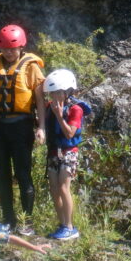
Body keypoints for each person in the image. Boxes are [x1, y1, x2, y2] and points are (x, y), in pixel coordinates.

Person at [0, 24, 46, 236]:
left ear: (21, 47)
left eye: (12, 49)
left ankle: (27, 222)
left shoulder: (31, 67)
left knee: (23, 174)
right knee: (2, 175)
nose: (8, 52)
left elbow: (40, 100)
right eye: (5, 48)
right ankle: (8, 219)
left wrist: (41, 127)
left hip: (21, 126)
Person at [43, 69, 91, 240]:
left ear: (67, 92)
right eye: (52, 93)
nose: (54, 96)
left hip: (68, 153)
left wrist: (59, 115)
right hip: (53, 151)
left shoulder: (75, 109)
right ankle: (62, 223)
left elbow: (70, 133)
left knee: (64, 187)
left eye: (58, 93)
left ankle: (69, 226)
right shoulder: (49, 107)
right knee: (54, 189)